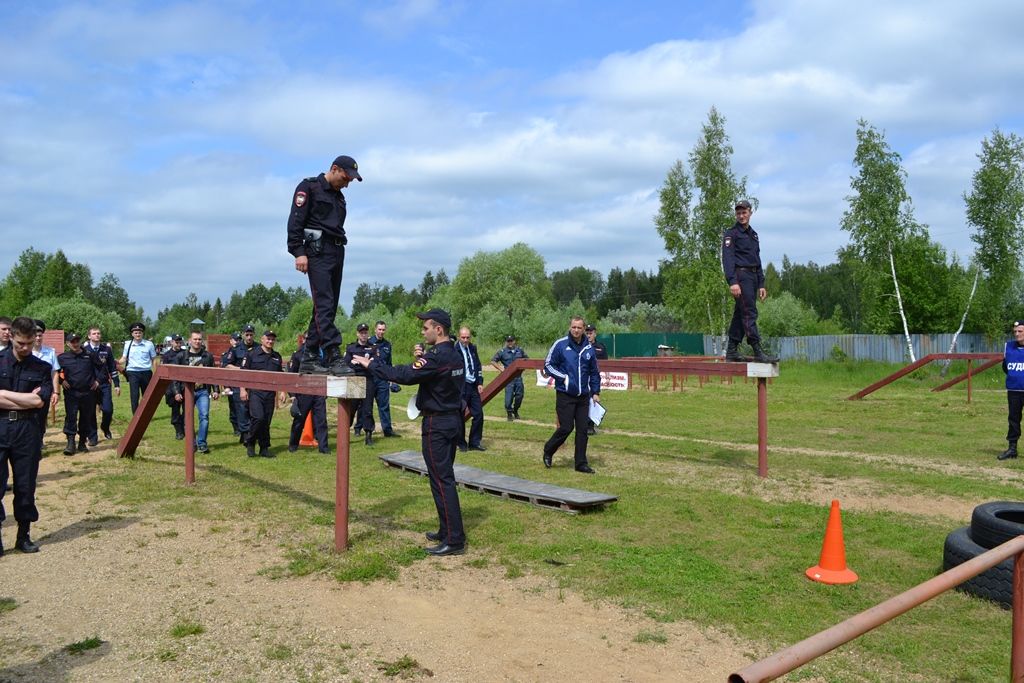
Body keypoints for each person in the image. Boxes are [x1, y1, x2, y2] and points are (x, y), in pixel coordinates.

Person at [350, 309, 466, 556]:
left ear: (439, 330)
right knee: (442, 477)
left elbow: (405, 374)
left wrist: (372, 364)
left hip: (437, 424)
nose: (423, 332)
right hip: (451, 420)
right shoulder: (456, 354)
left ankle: (455, 539)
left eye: (426, 328)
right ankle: (447, 530)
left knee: (442, 480)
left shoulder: (435, 357)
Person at [288, 155, 362, 376]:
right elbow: (295, 221)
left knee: (326, 307)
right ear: (334, 168)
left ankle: (309, 356)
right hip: (317, 252)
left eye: (350, 181)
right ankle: (333, 353)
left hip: (337, 251)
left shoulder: (339, 197)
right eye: (345, 178)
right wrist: (299, 252)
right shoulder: (309, 187)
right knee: (325, 304)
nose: (347, 184)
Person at [0, 316, 54, 555]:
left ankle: (23, 536)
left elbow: (39, 401)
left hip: (28, 430)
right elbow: (31, 400)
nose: (25, 348)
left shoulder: (41, 367)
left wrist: (4, 395)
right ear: (11, 336)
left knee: (25, 485)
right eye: (20, 343)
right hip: (1, 426)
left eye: (29, 343)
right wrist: (27, 400)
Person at [542, 316, 601, 474]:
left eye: (579, 328)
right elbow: (548, 365)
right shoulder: (560, 344)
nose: (576, 330)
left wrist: (595, 392)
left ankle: (580, 463)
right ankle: (548, 450)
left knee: (583, 430)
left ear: (584, 329)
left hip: (583, 396)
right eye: (574, 327)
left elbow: (594, 372)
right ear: (570, 327)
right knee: (566, 427)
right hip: (565, 395)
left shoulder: (588, 348)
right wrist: (564, 378)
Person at [722, 200, 777, 363]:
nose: (741, 216)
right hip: (741, 276)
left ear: (750, 213)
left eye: (744, 212)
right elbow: (728, 259)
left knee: (741, 313)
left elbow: (757, 260)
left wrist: (761, 284)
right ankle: (757, 350)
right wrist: (732, 281)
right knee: (749, 313)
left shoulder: (753, 235)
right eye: (738, 213)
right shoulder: (731, 234)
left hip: (753, 277)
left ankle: (731, 350)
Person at [171, 332, 219, 454]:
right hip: (187, 391)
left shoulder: (208, 356)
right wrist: (176, 392)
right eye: (195, 339)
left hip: (203, 391)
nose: (197, 341)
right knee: (187, 418)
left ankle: (202, 443)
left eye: (199, 339)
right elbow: (175, 376)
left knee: (204, 416)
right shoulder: (181, 356)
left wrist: (216, 390)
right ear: (190, 340)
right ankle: (191, 444)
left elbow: (213, 374)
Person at [240, 330, 284, 458]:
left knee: (266, 422)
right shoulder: (252, 354)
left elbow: (281, 376)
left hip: (270, 394)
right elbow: (243, 373)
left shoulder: (277, 356)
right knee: (258, 418)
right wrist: (242, 389)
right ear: (262, 339)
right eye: (268, 339)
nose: (270, 341)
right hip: (255, 392)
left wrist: (283, 391)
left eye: (272, 339)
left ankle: (264, 448)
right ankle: (250, 442)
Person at [56, 331, 101, 455]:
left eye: (77, 341)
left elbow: (102, 368)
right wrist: (61, 381)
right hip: (71, 393)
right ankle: (70, 443)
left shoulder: (90, 355)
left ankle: (82, 442)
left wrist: (97, 381)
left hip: (88, 392)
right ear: (67, 344)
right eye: (72, 342)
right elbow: (54, 372)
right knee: (71, 417)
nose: (75, 344)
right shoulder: (62, 357)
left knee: (86, 418)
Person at [287, 335, 329, 454]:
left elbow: (327, 370)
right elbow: (291, 375)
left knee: (321, 420)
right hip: (304, 391)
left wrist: (326, 390)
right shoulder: (298, 354)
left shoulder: (322, 353)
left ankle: (323, 447)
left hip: (319, 390)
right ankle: (293, 445)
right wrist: (292, 395)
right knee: (299, 420)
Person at [84, 326, 120, 443]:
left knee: (108, 409)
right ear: (89, 336)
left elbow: (112, 368)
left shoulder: (107, 350)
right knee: (90, 412)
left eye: (98, 333)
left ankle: (105, 427)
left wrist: (117, 384)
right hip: (90, 385)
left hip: (104, 384)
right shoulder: (84, 350)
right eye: (94, 333)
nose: (97, 335)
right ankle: (93, 437)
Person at [343, 323, 377, 445]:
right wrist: (360, 363)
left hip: (368, 380)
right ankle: (345, 432)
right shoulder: (351, 348)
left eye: (365, 333)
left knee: (368, 409)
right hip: (355, 380)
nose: (363, 335)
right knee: (352, 407)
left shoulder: (372, 348)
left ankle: (368, 434)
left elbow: (375, 364)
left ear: (368, 334)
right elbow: (345, 364)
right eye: (361, 333)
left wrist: (359, 362)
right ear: (357, 334)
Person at [224, 325, 257, 443]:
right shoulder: (235, 349)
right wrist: (242, 369)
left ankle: (251, 433)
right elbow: (227, 365)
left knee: (254, 409)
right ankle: (245, 433)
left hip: (254, 383)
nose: (249, 337)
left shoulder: (258, 348)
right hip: (239, 383)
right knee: (241, 409)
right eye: (247, 335)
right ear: (243, 335)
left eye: (251, 335)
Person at [455, 327, 486, 452]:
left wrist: (480, 382)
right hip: (461, 387)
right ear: (458, 337)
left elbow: (478, 365)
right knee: (460, 416)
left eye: (468, 337)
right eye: (463, 337)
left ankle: (474, 442)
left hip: (473, 386)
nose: (465, 340)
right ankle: (461, 443)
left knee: (478, 414)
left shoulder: (473, 348)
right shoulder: (454, 350)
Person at [31, 320, 60, 446]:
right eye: (35, 335)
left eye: (40, 335)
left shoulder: (50, 352)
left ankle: (39, 440)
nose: (37, 338)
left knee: (42, 416)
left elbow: (54, 372)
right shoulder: (25, 351)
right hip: (27, 389)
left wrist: (56, 392)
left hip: (44, 389)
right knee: (29, 416)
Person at [120, 322, 157, 414]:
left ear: (142, 333)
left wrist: (156, 373)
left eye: (139, 332)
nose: (138, 334)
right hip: (133, 372)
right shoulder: (128, 344)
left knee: (146, 396)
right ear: (132, 334)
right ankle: (136, 416)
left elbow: (154, 359)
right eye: (135, 333)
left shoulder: (149, 344)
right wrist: (116, 362)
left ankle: (146, 415)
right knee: (134, 396)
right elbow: (124, 358)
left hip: (146, 372)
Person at [370, 320, 399, 437]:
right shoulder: (368, 342)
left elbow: (389, 363)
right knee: (366, 406)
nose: (381, 332)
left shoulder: (387, 345)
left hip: (382, 379)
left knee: (384, 406)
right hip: (371, 378)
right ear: (375, 329)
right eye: (379, 329)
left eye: (383, 329)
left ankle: (387, 430)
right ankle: (364, 429)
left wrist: (392, 379)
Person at [1000, 321, 1024, 461]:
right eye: (1015, 331)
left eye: (1020, 331)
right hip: (1014, 390)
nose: (1016, 334)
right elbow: (1005, 366)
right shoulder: (1008, 347)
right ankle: (1012, 449)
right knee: (1013, 420)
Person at [491, 335, 528, 421]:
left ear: (515, 341)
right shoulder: (502, 352)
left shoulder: (520, 350)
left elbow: (527, 360)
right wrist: (501, 369)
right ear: (506, 342)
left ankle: (515, 410)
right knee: (508, 399)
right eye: (508, 341)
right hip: (508, 379)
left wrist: (523, 368)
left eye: (511, 341)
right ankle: (509, 413)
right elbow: (493, 361)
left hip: (518, 378)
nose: (510, 343)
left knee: (519, 396)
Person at [584, 324, 608, 435]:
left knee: (593, 398)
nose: (588, 335)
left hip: (594, 377)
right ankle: (583, 423)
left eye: (590, 333)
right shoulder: (581, 346)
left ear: (595, 334)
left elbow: (605, 362)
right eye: (587, 333)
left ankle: (590, 425)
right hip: (583, 377)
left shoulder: (600, 347)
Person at [162, 334, 186, 440]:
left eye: (180, 342)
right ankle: (178, 431)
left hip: (184, 384)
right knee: (175, 409)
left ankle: (183, 427)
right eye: (176, 342)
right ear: (172, 342)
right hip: (172, 385)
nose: (178, 344)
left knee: (186, 409)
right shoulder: (167, 355)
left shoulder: (185, 354)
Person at [220, 332, 243, 437]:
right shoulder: (227, 354)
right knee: (233, 407)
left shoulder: (243, 352)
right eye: (235, 339)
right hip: (232, 383)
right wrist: (226, 386)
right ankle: (236, 428)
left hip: (241, 383)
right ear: (231, 341)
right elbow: (224, 372)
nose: (237, 341)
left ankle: (243, 428)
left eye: (239, 339)